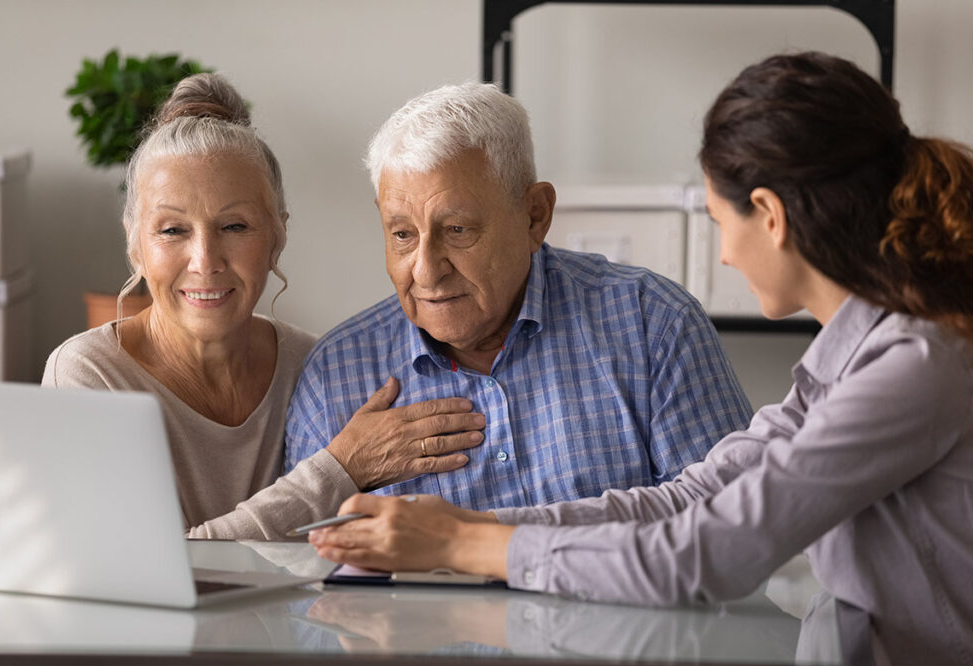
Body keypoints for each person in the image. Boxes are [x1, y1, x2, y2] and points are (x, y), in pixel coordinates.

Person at [309, 53, 973, 666]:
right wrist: (467, 527)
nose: (724, 259)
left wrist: (458, 549)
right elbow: (685, 498)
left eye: (718, 223)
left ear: (769, 216)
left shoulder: (914, 365)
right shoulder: (851, 358)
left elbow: (705, 552)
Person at [42, 73, 485, 538]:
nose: (205, 261)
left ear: (277, 236)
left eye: (234, 226)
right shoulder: (87, 377)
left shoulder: (314, 368)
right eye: (172, 230)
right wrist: (340, 469)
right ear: (135, 244)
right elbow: (152, 576)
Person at [283, 82, 752, 510]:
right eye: (402, 234)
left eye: (458, 229)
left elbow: (731, 532)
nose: (426, 270)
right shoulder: (336, 377)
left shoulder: (654, 325)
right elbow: (302, 589)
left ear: (534, 215)